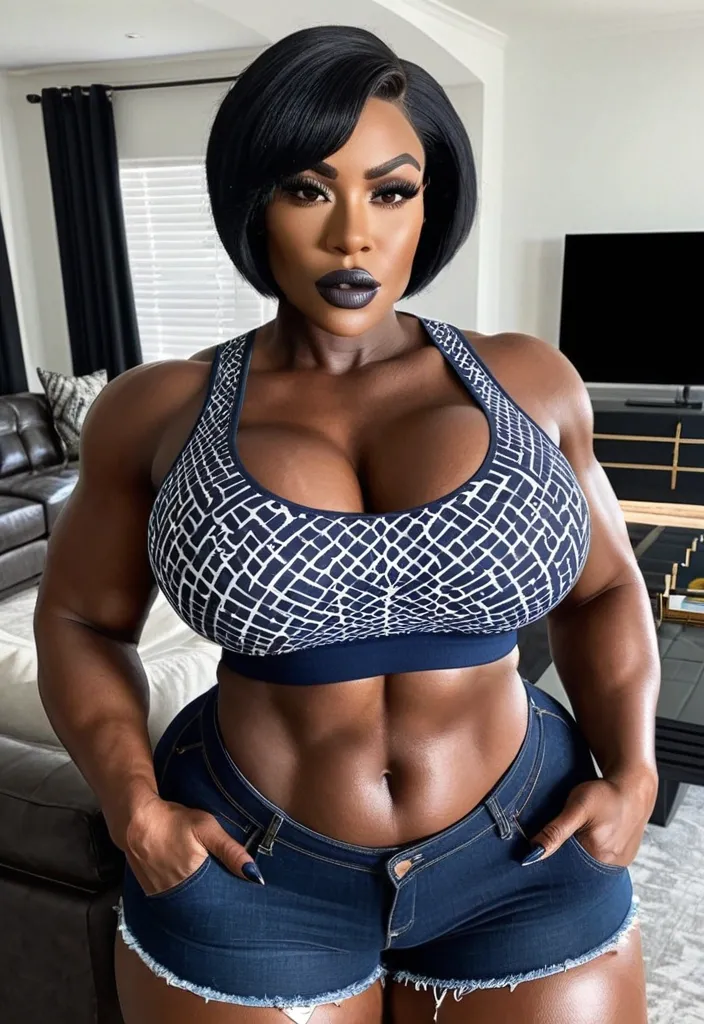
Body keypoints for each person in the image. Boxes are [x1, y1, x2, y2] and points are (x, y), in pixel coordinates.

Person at [34, 24, 660, 1024]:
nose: (352, 236)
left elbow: (604, 588)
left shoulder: (531, 380)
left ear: (431, 202)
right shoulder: (156, 409)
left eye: (391, 191)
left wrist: (632, 769)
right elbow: (77, 621)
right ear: (253, 201)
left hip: (527, 846)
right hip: (248, 863)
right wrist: (131, 805)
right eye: (307, 189)